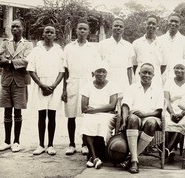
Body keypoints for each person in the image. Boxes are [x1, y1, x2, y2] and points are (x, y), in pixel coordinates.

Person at [62, 19, 101, 155]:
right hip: (72, 82)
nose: (82, 31)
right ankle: (71, 144)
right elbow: (65, 70)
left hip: (87, 83)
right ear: (76, 30)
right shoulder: (68, 47)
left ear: (89, 32)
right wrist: (64, 90)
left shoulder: (93, 49)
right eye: (80, 28)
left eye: (85, 29)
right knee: (71, 115)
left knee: (86, 115)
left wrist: (94, 89)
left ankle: (85, 144)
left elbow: (95, 70)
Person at [119, 63, 164, 174]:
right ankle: (134, 160)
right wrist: (124, 120)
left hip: (151, 116)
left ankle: (132, 159)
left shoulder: (158, 90)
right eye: (144, 72)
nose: (147, 75)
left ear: (153, 75)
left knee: (151, 123)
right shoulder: (132, 88)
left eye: (149, 73)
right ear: (139, 73)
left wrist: (145, 114)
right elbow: (125, 106)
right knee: (133, 119)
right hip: (135, 117)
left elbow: (159, 111)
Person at [0, 19, 33, 152]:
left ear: (22, 28)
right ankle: (6, 141)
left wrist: (10, 62)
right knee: (7, 110)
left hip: (20, 81)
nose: (14, 29)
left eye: (17, 26)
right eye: (12, 27)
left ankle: (16, 141)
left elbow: (27, 61)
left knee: (17, 110)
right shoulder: (6, 43)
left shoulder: (28, 45)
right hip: (6, 80)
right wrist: (11, 62)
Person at [27, 25, 64, 155]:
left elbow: (62, 71)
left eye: (52, 32)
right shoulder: (37, 50)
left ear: (55, 35)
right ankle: (41, 144)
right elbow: (31, 70)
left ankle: (50, 145)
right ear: (43, 34)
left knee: (52, 116)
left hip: (55, 85)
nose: (49, 33)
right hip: (40, 84)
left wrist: (53, 86)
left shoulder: (59, 50)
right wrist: (41, 85)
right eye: (47, 31)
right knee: (42, 115)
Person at [80, 61, 119, 169]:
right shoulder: (87, 86)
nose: (101, 74)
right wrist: (93, 111)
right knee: (87, 121)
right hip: (91, 115)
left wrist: (94, 110)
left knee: (103, 122)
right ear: (94, 73)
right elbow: (83, 108)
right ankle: (95, 157)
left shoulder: (112, 85)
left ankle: (93, 157)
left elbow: (111, 106)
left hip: (107, 115)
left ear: (106, 73)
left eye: (103, 71)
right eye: (98, 71)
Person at [164, 60, 185, 162]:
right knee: (166, 122)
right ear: (173, 69)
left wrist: (182, 113)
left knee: (182, 123)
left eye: (182, 68)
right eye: (177, 68)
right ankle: (169, 151)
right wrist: (171, 113)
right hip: (170, 108)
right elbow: (166, 99)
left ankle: (167, 150)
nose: (179, 70)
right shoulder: (168, 81)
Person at [98, 18, 134, 95]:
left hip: (123, 82)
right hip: (107, 81)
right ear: (111, 28)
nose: (118, 28)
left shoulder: (128, 46)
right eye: (116, 26)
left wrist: (130, 85)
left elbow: (129, 68)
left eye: (121, 26)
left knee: (121, 104)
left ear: (123, 29)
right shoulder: (102, 44)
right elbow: (98, 66)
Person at [132, 15, 166, 87]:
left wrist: (154, 71)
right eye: (149, 23)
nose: (151, 25)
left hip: (156, 77)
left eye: (153, 24)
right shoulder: (136, 43)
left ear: (157, 26)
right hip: (139, 77)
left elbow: (163, 65)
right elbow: (134, 65)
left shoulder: (163, 43)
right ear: (145, 25)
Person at [159, 13, 185, 84]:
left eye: (176, 22)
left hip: (178, 78)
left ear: (180, 24)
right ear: (168, 22)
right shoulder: (159, 40)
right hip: (161, 78)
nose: (173, 23)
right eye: (171, 21)